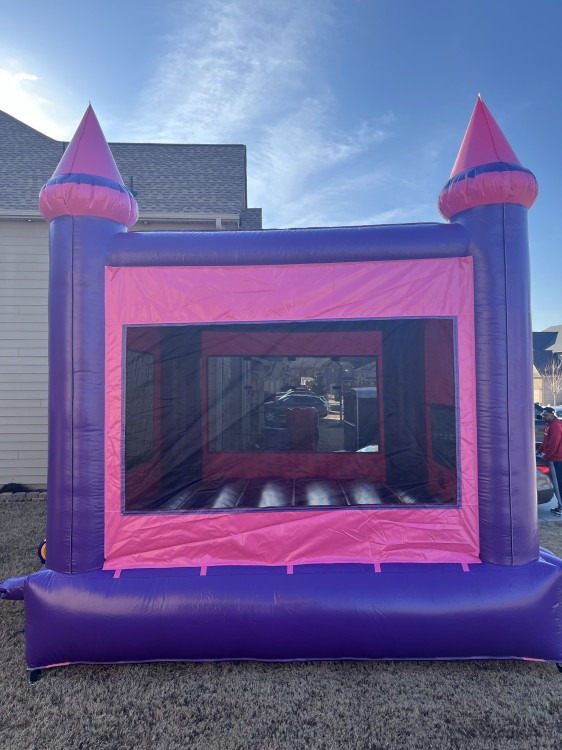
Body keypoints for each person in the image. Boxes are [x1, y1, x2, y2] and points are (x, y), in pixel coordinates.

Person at [538, 407, 562, 516]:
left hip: (557, 459)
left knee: (558, 483)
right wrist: (539, 451)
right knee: (557, 483)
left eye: (545, 415)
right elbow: (545, 441)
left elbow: (554, 443)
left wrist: (547, 456)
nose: (543, 417)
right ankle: (560, 505)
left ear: (552, 415)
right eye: (543, 415)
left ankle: (561, 507)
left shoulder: (555, 426)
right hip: (553, 458)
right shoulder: (549, 425)